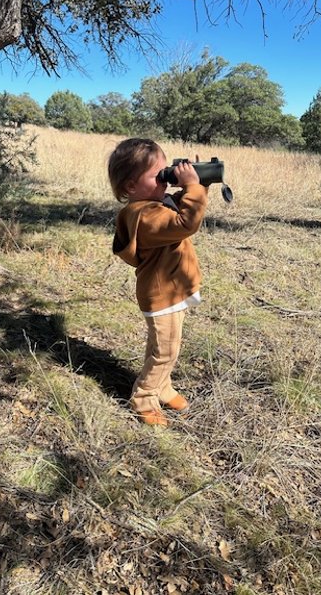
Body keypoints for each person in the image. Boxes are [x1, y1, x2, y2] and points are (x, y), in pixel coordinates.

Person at [108, 138, 208, 427]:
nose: (166, 178)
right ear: (130, 187)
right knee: (164, 350)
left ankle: (162, 387)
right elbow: (185, 222)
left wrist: (200, 184)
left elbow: (179, 208)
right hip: (162, 295)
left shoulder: (152, 204)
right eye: (158, 175)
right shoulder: (143, 216)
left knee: (169, 345)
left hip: (172, 291)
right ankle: (144, 396)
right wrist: (192, 187)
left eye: (167, 171)